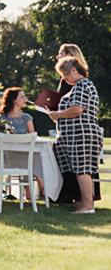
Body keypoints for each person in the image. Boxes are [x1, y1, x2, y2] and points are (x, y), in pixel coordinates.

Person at [49, 56, 103, 214]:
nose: (64, 79)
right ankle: (83, 203)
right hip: (74, 136)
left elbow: (77, 109)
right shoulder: (77, 87)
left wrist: (58, 115)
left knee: (82, 169)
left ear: (74, 70)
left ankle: (88, 205)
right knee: (80, 169)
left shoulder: (83, 84)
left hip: (82, 135)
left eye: (65, 74)